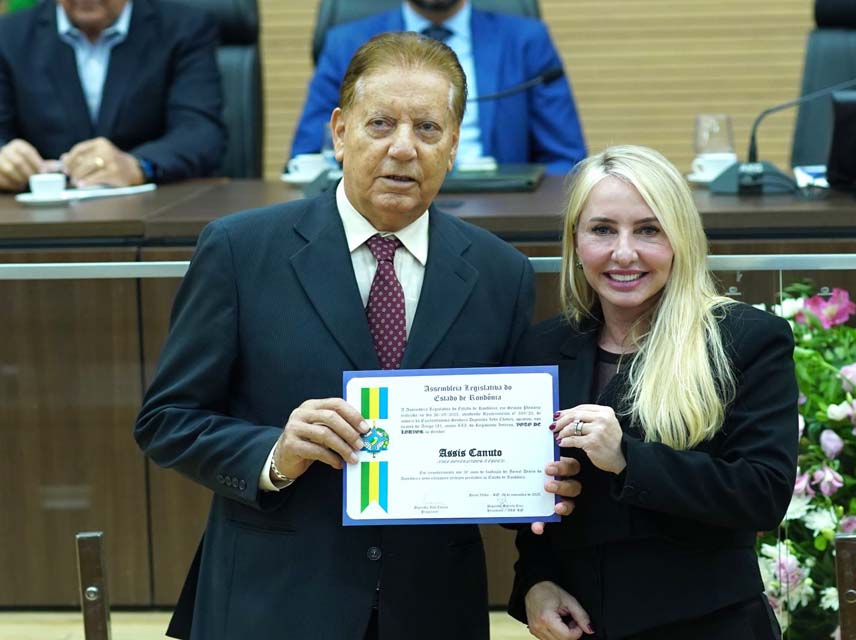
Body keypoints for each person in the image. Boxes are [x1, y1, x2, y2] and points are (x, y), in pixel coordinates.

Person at [135, 32, 579, 640]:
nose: (404, 148)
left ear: (453, 145)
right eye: (381, 124)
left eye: (428, 128)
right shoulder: (240, 250)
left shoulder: (500, 273)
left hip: (430, 607)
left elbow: (505, 448)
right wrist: (276, 455)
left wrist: (538, 483)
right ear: (340, 132)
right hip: (274, 598)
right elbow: (167, 420)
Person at [508, 145, 799, 640]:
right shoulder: (543, 347)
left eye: (648, 230)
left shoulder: (744, 339)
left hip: (711, 626)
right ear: (576, 241)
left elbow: (762, 495)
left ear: (680, 238)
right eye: (603, 230)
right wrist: (535, 583)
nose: (624, 253)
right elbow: (538, 504)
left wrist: (627, 458)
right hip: (587, 628)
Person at [290, 0, 587, 175]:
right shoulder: (346, 44)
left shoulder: (526, 41)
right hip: (384, 207)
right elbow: (308, 157)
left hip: (497, 211)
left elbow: (565, 161)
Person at [0, 0, 225, 191]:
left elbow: (200, 131)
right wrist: (6, 159)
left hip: (153, 205)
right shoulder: (9, 35)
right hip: (42, 212)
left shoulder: (184, 27)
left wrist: (138, 165)